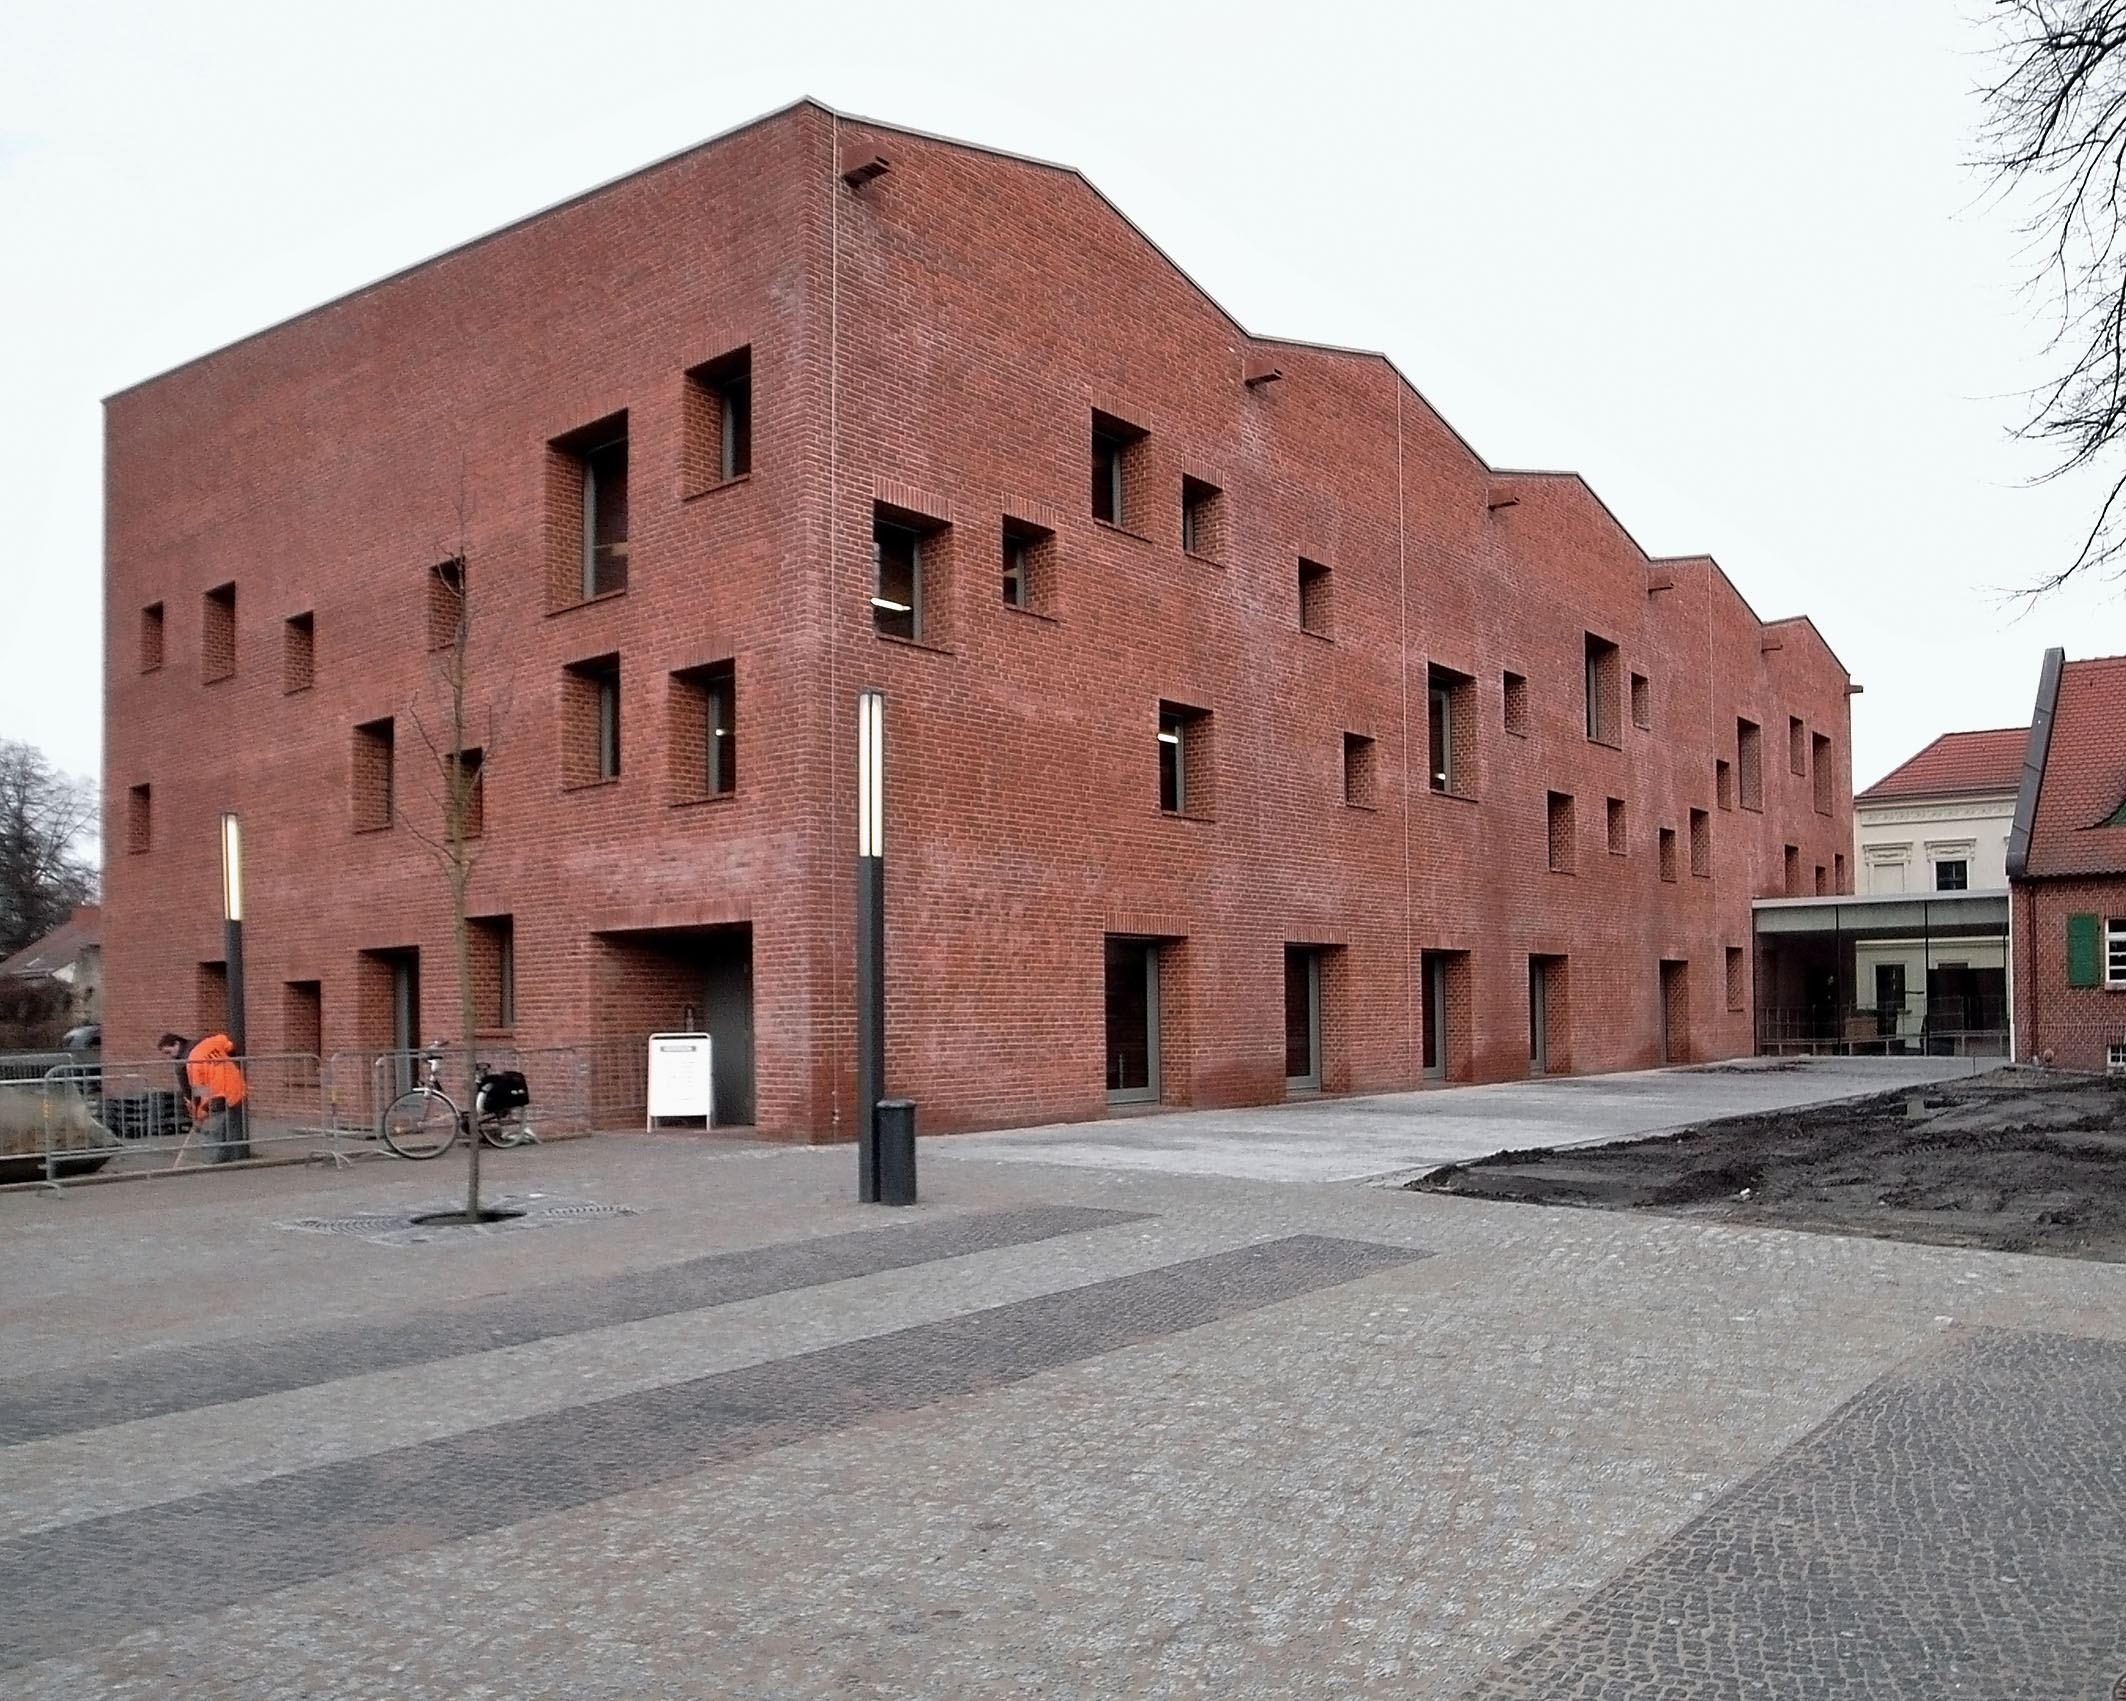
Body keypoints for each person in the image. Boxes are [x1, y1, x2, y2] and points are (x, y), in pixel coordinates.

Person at [157, 1031, 251, 1162]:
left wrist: (198, 1113)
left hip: (218, 1094)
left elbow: (198, 1090)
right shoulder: (209, 1042)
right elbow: (229, 1045)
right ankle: (234, 1155)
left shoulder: (191, 1063)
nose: (170, 1057)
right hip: (235, 1086)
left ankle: (215, 1158)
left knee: (215, 1126)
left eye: (169, 1052)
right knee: (232, 1122)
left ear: (177, 1044)